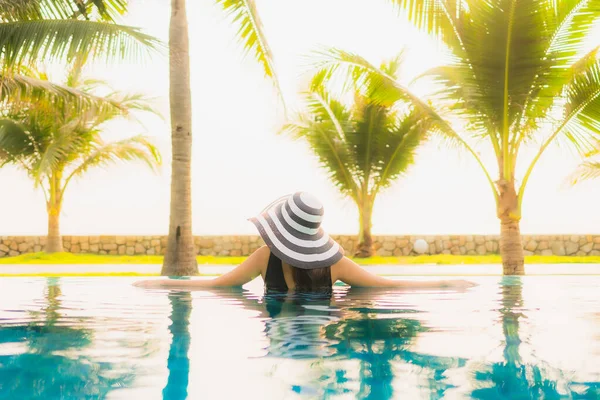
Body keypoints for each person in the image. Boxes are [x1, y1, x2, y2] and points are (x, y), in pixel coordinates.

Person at [134, 192, 475, 291]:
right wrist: (446, 282)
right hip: (318, 328)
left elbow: (216, 286)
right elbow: (386, 285)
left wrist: (161, 283)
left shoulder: (264, 257)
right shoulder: (334, 265)